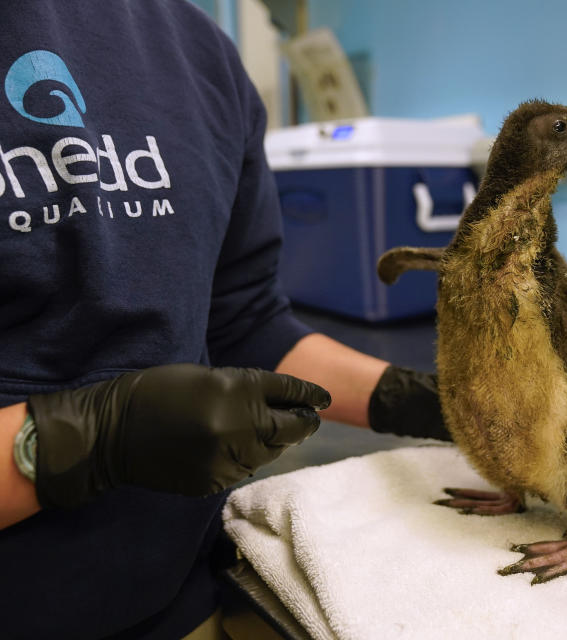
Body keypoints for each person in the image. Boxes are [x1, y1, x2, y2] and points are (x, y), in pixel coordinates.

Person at [0, 2, 449, 638]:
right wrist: (87, 438)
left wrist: (427, 402)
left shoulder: (197, 48)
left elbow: (246, 322)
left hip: (190, 600)